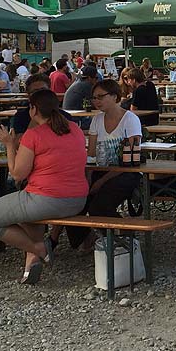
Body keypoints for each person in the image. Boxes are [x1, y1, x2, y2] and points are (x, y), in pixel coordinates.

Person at [0, 89, 88, 284]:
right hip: (78, 200)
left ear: (34, 109)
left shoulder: (34, 135)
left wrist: (10, 145)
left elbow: (17, 174)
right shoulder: (75, 129)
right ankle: (31, 262)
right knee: (27, 216)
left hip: (45, 198)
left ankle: (38, 249)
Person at [60, 79, 142, 252]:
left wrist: (99, 182)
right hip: (100, 170)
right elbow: (91, 154)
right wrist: (87, 179)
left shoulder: (130, 120)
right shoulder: (97, 120)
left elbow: (131, 158)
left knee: (99, 205)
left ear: (114, 96)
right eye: (93, 98)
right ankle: (87, 238)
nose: (96, 101)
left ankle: (123, 237)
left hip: (126, 173)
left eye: (100, 97)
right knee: (72, 199)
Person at [11, 74, 74, 142]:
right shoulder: (21, 116)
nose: (40, 95)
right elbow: (18, 143)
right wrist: (35, 118)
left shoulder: (64, 116)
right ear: (28, 95)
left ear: (50, 92)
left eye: (43, 91)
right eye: (35, 92)